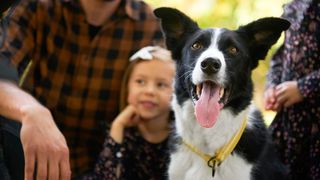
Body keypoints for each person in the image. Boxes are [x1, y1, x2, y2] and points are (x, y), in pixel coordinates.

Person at [0, 0, 163, 179]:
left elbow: (173, 95)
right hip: (28, 156)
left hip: (103, 163)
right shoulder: (38, 6)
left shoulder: (152, 25)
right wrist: (31, 110)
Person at [82, 46, 175, 180]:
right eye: (140, 82)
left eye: (161, 85)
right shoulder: (119, 134)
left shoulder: (182, 137)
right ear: (127, 88)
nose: (149, 91)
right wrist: (117, 126)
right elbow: (105, 177)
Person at [263, 0, 320, 179]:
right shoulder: (295, 6)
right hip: (291, 124)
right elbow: (280, 56)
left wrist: (303, 88)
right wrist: (272, 86)